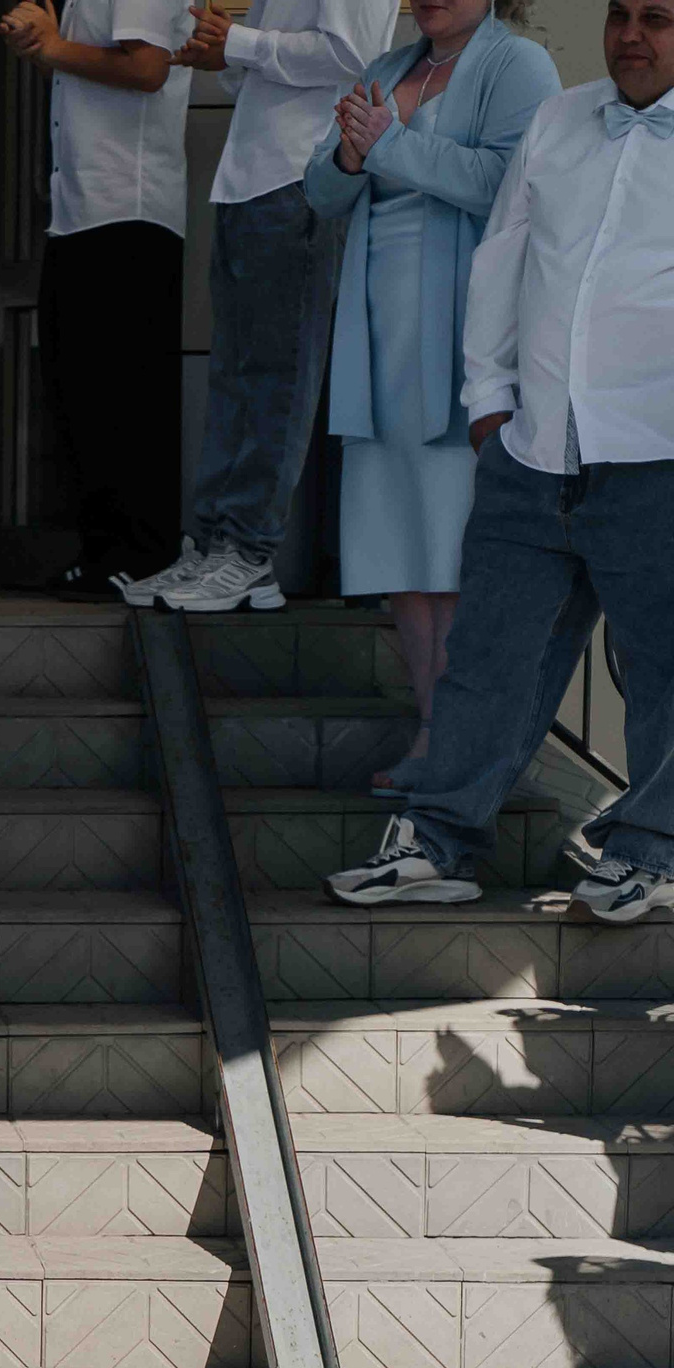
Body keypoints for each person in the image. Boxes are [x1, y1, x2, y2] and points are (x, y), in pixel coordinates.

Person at [325, 0, 674, 924]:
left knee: (662, 662)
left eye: (660, 18)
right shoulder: (562, 119)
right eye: (621, 16)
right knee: (489, 657)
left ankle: (649, 850)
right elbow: (503, 262)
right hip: (534, 447)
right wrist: (490, 402)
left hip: (656, 452)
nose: (632, 35)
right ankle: (438, 839)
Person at [303, 0, 557, 793]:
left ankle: (477, 744)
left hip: (459, 336)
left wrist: (390, 147)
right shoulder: (386, 67)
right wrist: (351, 158)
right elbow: (322, 191)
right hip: (379, 335)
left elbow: (510, 183)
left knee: (456, 549)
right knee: (400, 551)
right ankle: (430, 732)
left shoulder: (518, 64)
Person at [118, 0, 399, 613]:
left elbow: (350, 53)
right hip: (251, 174)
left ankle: (248, 552)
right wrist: (221, 51)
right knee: (235, 372)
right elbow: (259, 67)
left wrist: (241, 42)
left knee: (278, 375)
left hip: (300, 174)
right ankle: (217, 542)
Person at [0, 0, 192, 600]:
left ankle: (144, 550)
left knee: (124, 393)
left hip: (127, 208)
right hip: (84, 209)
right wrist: (41, 45)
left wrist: (52, 46)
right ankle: (105, 550)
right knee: (82, 388)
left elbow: (146, 68)